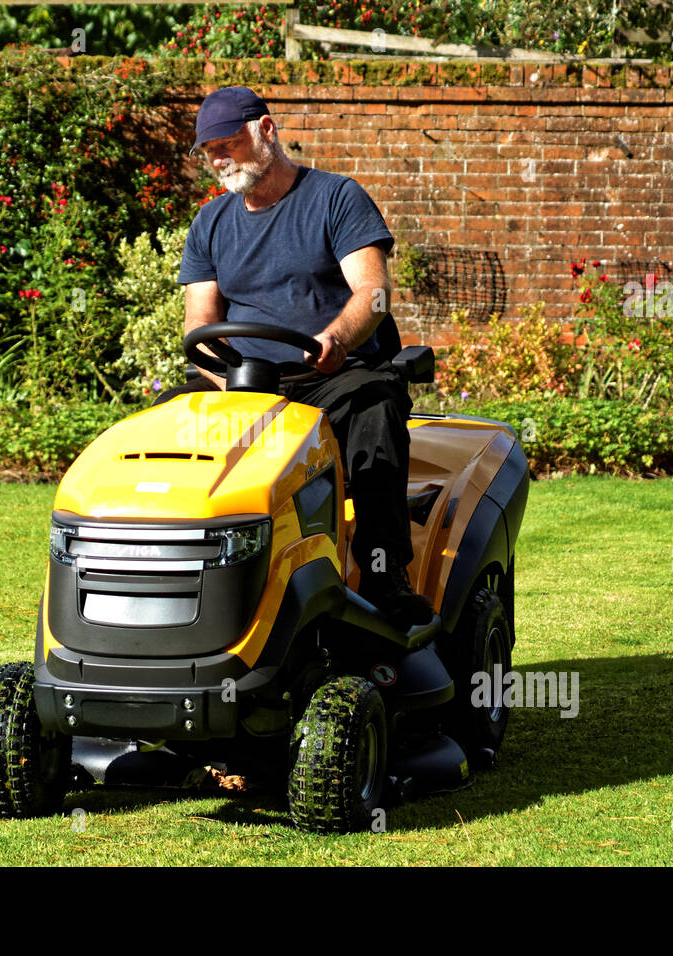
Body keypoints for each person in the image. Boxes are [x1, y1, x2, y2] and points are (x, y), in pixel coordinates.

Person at [153, 85, 434, 630]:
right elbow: (199, 323)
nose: (218, 160)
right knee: (166, 417)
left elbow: (372, 293)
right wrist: (220, 372)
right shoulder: (209, 224)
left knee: (374, 404)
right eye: (207, 151)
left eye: (229, 144)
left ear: (266, 130)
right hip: (240, 380)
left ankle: (383, 573)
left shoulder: (336, 198)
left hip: (329, 373)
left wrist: (338, 340)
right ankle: (175, 571)